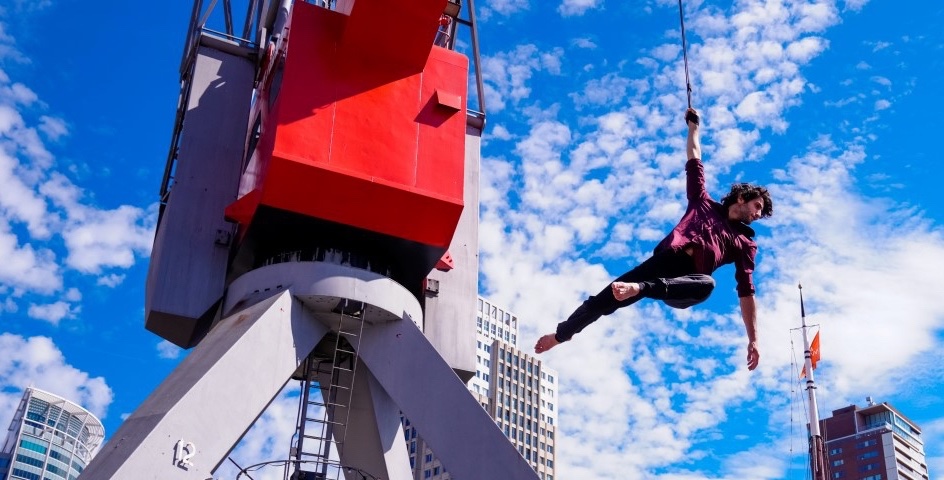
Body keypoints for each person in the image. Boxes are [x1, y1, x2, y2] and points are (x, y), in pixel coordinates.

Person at [534, 107, 773, 371]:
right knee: (606, 297)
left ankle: (641, 289)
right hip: (664, 262)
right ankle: (561, 336)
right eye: (758, 207)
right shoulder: (702, 201)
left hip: (685, 283)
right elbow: (695, 159)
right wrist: (694, 128)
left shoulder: (745, 242)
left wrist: (753, 340)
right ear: (742, 198)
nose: (758, 214)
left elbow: (747, 291)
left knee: (708, 284)